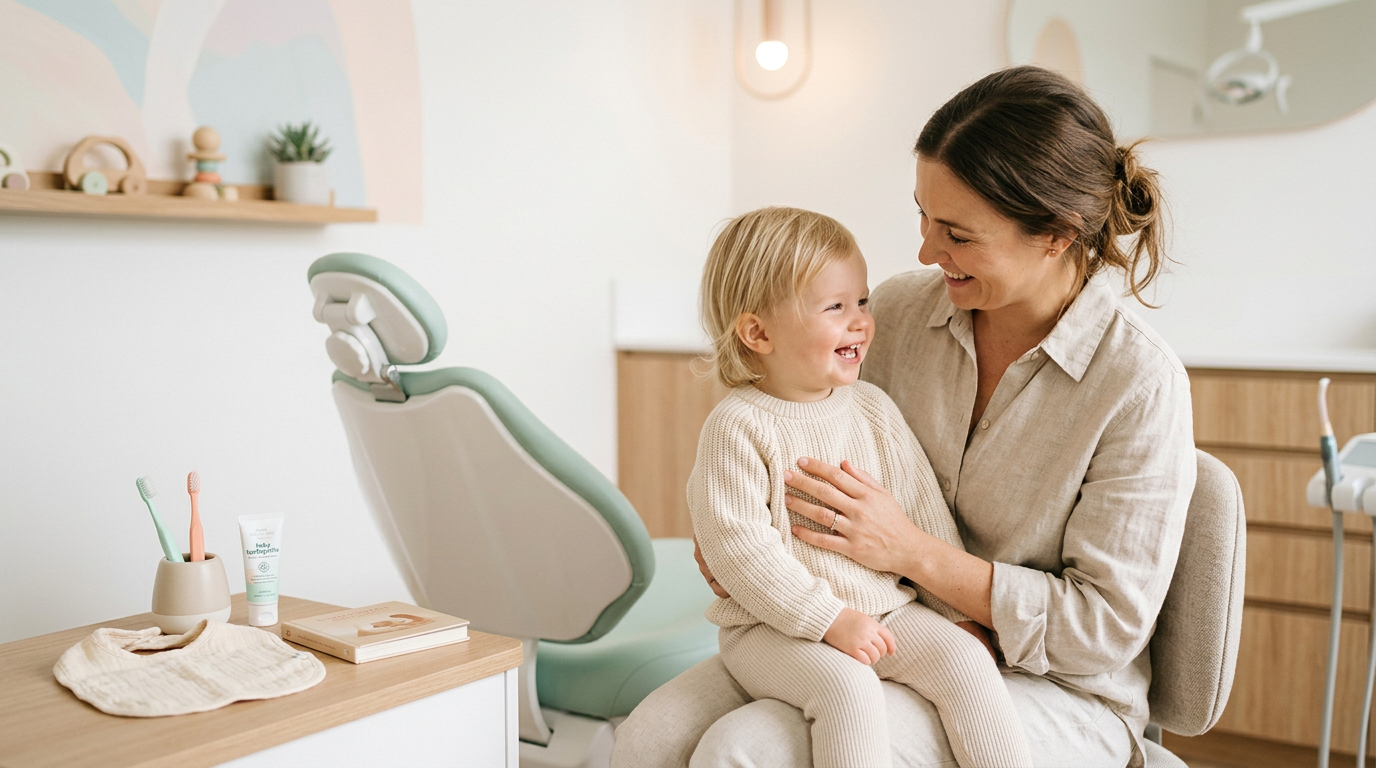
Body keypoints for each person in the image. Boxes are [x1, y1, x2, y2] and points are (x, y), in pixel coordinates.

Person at [611, 65, 1195, 768]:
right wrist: (746, 557)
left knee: (747, 750)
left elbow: (1098, 630)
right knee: (651, 736)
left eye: (957, 232)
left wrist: (916, 559)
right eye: (921, 214)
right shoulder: (901, 311)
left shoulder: (1137, 382)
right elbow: (788, 437)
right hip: (848, 619)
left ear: (1057, 235)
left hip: (1052, 683)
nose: (925, 250)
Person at [690, 206, 1032, 768]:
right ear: (757, 332)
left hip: (883, 611)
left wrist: (954, 615)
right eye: (836, 307)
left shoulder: (871, 408)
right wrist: (829, 621)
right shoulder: (738, 427)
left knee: (967, 662)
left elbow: (921, 516)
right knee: (848, 692)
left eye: (863, 302)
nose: (860, 322)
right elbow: (741, 551)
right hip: (775, 628)